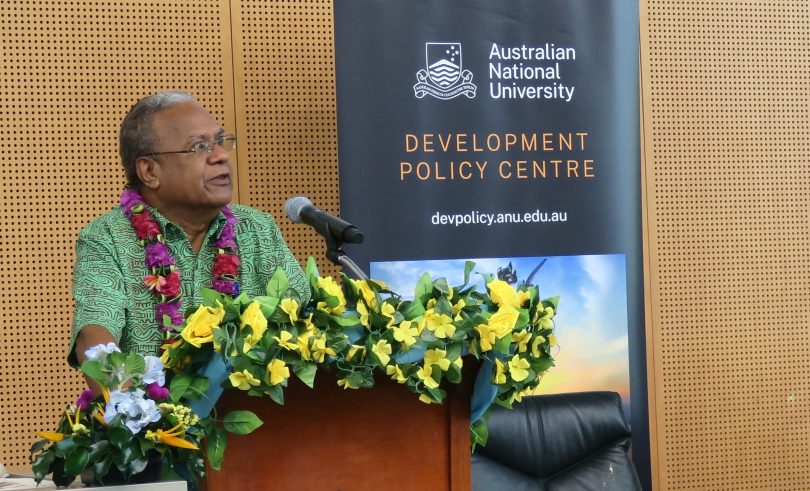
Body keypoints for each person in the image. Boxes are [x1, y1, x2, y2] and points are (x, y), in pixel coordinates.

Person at [69, 91, 310, 368]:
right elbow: (94, 339)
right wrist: (134, 409)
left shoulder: (256, 229)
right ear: (149, 171)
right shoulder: (108, 237)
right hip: (154, 408)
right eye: (199, 147)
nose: (220, 156)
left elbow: (308, 324)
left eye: (220, 142)